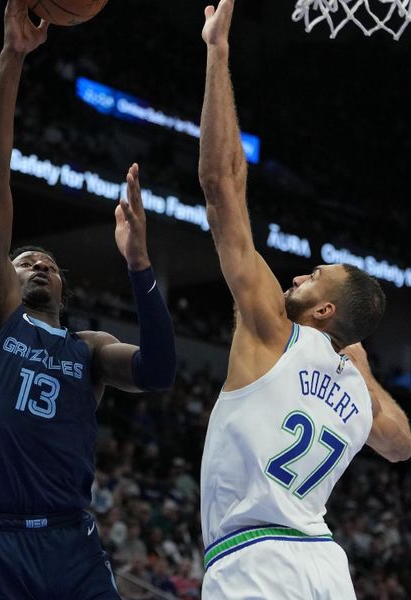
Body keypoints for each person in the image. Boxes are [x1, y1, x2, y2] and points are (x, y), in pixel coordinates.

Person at [0, 2, 176, 598]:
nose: (39, 264)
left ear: (64, 288)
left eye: (48, 263)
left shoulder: (88, 350)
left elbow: (158, 371)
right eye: (25, 261)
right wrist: (13, 56)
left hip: (73, 541)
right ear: (5, 276)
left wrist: (139, 264)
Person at [196, 1, 411, 598]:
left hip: (254, 564)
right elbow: (401, 445)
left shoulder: (272, 331)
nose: (295, 277)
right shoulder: (359, 396)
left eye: (313, 277)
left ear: (323, 312)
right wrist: (359, 366)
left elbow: (222, 186)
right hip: (324, 566)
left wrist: (218, 53)